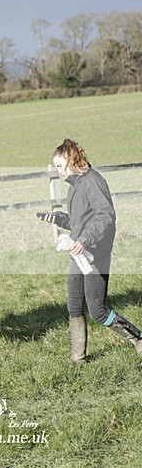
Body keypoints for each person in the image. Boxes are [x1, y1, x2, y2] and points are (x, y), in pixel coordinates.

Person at [40, 138, 142, 362]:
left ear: (71, 160)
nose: (57, 171)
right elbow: (80, 222)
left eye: (59, 165)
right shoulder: (76, 185)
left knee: (97, 312)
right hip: (79, 254)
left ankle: (138, 339)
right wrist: (58, 219)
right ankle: (78, 359)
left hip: (95, 255)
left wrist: (85, 240)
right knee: (74, 307)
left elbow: (105, 217)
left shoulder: (93, 181)